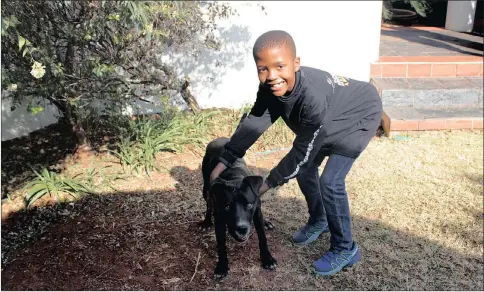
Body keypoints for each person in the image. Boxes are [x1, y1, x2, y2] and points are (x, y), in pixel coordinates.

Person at [209, 30, 382, 276]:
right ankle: (319, 219)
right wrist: (223, 162)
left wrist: (266, 185)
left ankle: (346, 248)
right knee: (306, 168)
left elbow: (300, 152)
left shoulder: (311, 97)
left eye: (280, 66)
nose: (272, 76)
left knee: (330, 181)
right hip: (330, 116)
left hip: (360, 112)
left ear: (296, 63)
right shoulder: (270, 89)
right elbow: (255, 123)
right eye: (263, 69)